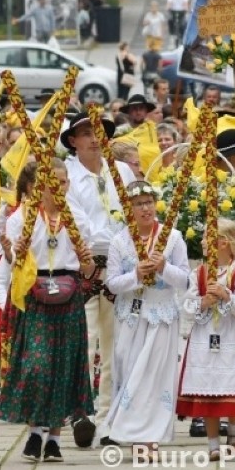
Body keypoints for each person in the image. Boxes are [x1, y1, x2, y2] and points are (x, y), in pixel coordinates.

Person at [0, 160, 96, 462]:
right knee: (37, 366)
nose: (59, 187)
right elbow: (15, 263)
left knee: (63, 368)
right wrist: (12, 251)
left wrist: (87, 262)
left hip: (68, 293)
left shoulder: (77, 216)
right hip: (36, 294)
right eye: (52, 181)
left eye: (64, 181)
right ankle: (35, 431)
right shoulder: (23, 219)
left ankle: (53, 438)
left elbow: (88, 268)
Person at [62, 111, 136, 447]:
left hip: (119, 268)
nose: (94, 138)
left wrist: (122, 246)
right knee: (83, 341)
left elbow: (134, 215)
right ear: (73, 140)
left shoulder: (120, 171)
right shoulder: (69, 175)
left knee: (115, 346)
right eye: (86, 132)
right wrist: (114, 237)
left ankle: (108, 419)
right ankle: (81, 411)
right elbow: (81, 228)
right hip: (84, 267)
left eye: (100, 132)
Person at [104, 181, 189, 456]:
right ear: (129, 209)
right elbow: (113, 283)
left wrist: (164, 267)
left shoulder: (172, 238)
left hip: (162, 314)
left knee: (155, 375)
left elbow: (186, 280)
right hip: (131, 316)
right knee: (131, 371)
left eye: (149, 202)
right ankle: (130, 432)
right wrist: (136, 276)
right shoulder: (119, 241)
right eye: (139, 204)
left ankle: (150, 438)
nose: (145, 209)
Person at [177, 218, 235, 461]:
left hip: (231, 336)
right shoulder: (199, 273)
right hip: (205, 338)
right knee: (208, 391)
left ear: (223, 243)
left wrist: (227, 296)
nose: (202, 242)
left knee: (231, 387)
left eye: (207, 237)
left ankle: (234, 433)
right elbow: (186, 305)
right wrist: (203, 302)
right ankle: (213, 444)